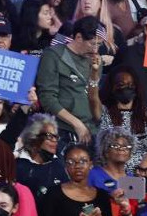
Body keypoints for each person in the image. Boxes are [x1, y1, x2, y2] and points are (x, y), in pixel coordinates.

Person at [36, 16, 101, 148]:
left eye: (99, 44)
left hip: (91, 129)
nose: (95, 50)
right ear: (78, 37)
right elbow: (47, 99)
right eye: (92, 43)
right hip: (63, 130)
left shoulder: (95, 60)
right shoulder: (53, 56)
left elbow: (94, 96)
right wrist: (76, 124)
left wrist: (94, 74)